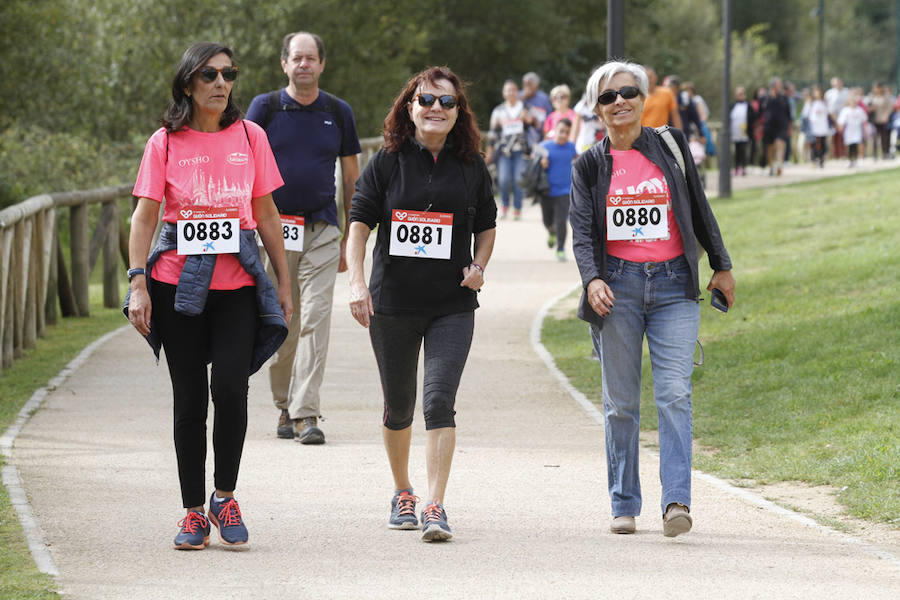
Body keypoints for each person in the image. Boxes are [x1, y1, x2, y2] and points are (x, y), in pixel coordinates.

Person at [124, 42, 292, 550]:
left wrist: (283, 283)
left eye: (228, 74)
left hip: (238, 286)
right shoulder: (165, 142)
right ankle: (193, 511)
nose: (221, 83)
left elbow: (265, 215)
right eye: (209, 75)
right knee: (190, 399)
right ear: (188, 84)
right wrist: (138, 283)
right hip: (178, 287)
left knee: (233, 393)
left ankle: (226, 495)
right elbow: (144, 217)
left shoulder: (251, 135)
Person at [569, 60, 735, 538]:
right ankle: (624, 501)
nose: (619, 101)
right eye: (607, 97)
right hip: (615, 289)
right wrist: (592, 279)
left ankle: (676, 502)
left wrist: (721, 265)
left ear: (643, 98)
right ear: (596, 109)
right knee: (621, 402)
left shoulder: (671, 145)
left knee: (674, 395)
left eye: (628, 92)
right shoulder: (589, 164)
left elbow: (698, 208)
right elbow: (582, 233)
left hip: (673, 287)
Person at [346, 66, 497, 542]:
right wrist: (356, 283)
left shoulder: (472, 165)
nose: (436, 109)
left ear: (459, 112)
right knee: (400, 406)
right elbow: (358, 225)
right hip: (392, 303)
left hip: (452, 304)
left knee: (438, 400)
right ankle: (403, 491)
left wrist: (479, 266)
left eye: (447, 102)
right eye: (426, 100)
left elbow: (488, 225)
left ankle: (435, 504)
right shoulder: (387, 162)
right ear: (409, 107)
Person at [246, 32, 361, 444]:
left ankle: (306, 413)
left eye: (311, 58)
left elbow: (352, 176)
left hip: (323, 231)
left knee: (315, 317)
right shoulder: (265, 108)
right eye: (297, 58)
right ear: (284, 64)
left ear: (322, 64)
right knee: (284, 319)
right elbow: (244, 166)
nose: (304, 65)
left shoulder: (338, 111)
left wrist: (352, 234)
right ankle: (284, 406)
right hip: (276, 231)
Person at [486, 79, 535, 220]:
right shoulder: (498, 111)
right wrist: (489, 151)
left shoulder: (525, 107)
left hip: (521, 149)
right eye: (507, 90)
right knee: (504, 179)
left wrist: (528, 119)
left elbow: (536, 124)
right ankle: (505, 205)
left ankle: (518, 209)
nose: (511, 93)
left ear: (517, 91)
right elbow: (492, 133)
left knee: (519, 179)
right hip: (503, 151)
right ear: (503, 93)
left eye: (513, 90)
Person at [539, 118, 577, 260]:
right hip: (546, 190)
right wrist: (540, 163)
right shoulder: (544, 146)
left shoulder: (571, 147)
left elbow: (578, 160)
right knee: (547, 221)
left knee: (561, 220)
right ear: (555, 130)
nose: (563, 135)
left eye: (566, 132)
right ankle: (551, 232)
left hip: (565, 190)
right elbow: (532, 163)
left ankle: (560, 248)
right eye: (561, 131)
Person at [763, 77, 791, 175]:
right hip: (768, 126)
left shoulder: (783, 97)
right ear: (773, 85)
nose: (780, 86)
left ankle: (779, 165)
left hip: (781, 126)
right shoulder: (765, 97)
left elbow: (788, 113)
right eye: (779, 84)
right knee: (770, 147)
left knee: (779, 144)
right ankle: (771, 167)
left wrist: (789, 127)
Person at [801, 85, 831, 167]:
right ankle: (813, 160)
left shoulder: (824, 103)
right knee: (814, 145)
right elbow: (805, 115)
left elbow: (828, 114)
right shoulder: (810, 103)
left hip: (823, 127)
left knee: (823, 145)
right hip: (813, 128)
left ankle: (821, 160)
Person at [837, 92, 868, 168]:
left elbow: (864, 120)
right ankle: (850, 160)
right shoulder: (845, 110)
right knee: (849, 146)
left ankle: (859, 159)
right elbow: (841, 121)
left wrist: (864, 131)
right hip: (849, 131)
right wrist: (841, 129)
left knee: (858, 145)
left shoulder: (859, 110)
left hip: (857, 130)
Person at [867, 82, 893, 160]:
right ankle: (874, 154)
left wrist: (886, 117)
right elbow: (868, 107)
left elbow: (889, 108)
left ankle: (885, 152)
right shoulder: (871, 96)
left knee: (884, 137)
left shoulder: (886, 97)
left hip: (883, 119)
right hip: (874, 120)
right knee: (874, 137)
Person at [825, 77, 849, 159]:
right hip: (833, 118)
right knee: (834, 137)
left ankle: (844, 154)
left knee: (844, 136)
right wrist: (835, 120)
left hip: (845, 117)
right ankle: (835, 154)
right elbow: (829, 107)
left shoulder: (846, 92)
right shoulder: (829, 93)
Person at [730, 86, 750, 175]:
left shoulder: (748, 105)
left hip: (745, 131)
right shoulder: (732, 106)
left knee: (743, 149)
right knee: (737, 150)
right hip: (735, 131)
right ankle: (737, 167)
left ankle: (744, 167)